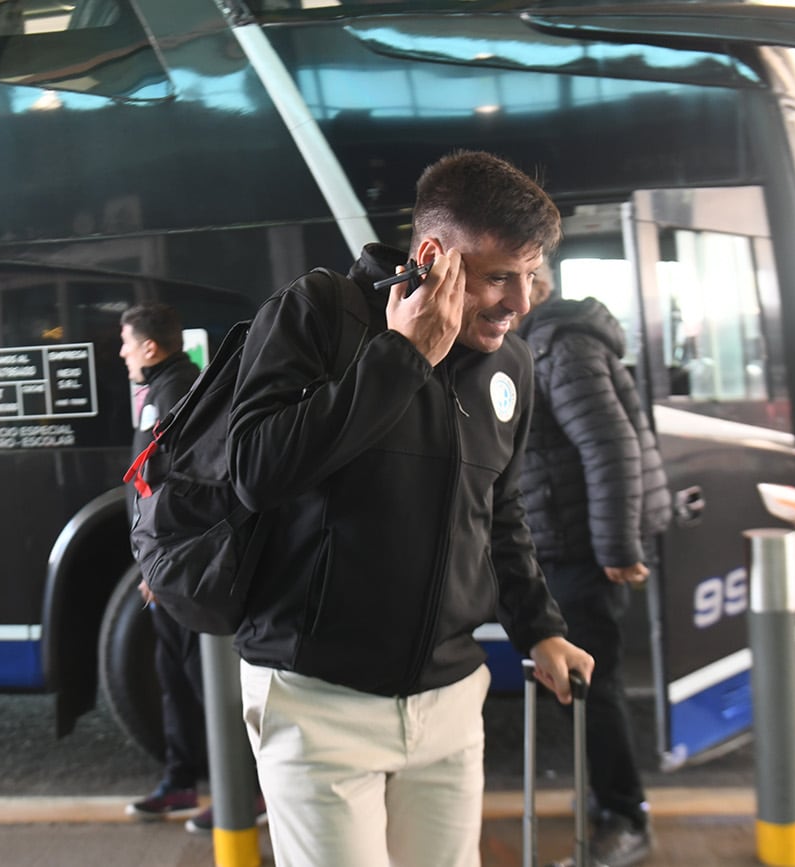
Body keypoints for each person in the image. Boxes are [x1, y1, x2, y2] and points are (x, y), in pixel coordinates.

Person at [226, 149, 595, 867]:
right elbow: (255, 471)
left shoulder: (510, 364)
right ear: (433, 256)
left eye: (531, 275)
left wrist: (541, 627)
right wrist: (401, 356)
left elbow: (500, 511)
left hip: (450, 697)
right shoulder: (319, 315)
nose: (522, 303)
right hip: (315, 697)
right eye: (499, 277)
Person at [519, 275, 672, 867]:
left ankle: (624, 814)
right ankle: (605, 798)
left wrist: (614, 549)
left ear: (532, 282)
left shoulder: (562, 345)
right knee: (577, 683)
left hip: (583, 548)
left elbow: (609, 446)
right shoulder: (541, 342)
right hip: (563, 540)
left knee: (591, 683)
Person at [118, 303, 210, 824]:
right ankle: (179, 783)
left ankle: (249, 792)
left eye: (127, 342)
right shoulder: (165, 389)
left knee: (203, 682)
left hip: (176, 569)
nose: (123, 351)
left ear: (151, 347)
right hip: (166, 564)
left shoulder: (176, 392)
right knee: (174, 676)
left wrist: (160, 566)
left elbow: (172, 490)